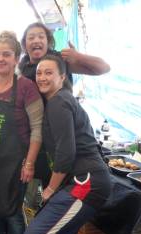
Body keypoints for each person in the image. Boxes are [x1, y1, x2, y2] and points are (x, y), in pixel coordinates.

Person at [19, 22, 110, 209]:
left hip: (63, 139)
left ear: (48, 41)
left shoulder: (61, 61)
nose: (36, 40)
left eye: (41, 36)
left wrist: (78, 56)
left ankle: (44, 231)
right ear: (25, 44)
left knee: (55, 197)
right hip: (38, 141)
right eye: (31, 37)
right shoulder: (23, 69)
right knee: (34, 200)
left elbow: (104, 67)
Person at [23, 55, 111, 234]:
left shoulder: (59, 102)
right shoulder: (60, 100)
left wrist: (50, 189)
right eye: (39, 73)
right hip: (85, 179)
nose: (42, 77)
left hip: (86, 182)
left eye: (49, 72)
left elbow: (66, 151)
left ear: (62, 77)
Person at [0, 31, 44, 234]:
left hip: (17, 164)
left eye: (6, 54)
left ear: (16, 58)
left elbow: (37, 129)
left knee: (13, 214)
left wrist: (29, 163)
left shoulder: (26, 86)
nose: (0, 59)